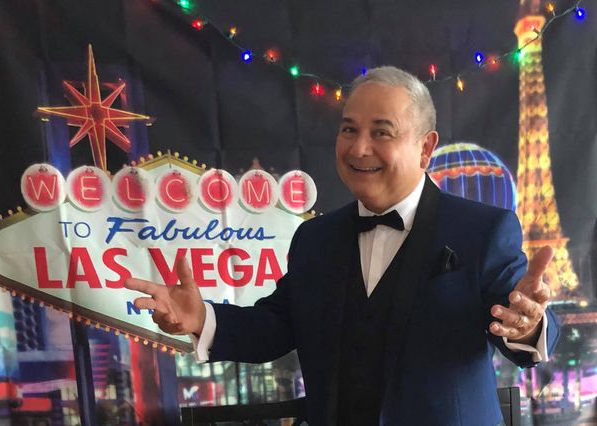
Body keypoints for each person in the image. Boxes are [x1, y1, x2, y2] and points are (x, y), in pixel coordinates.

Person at [125, 66, 560, 425]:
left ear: (425, 147)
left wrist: (528, 326)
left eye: (381, 132)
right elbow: (275, 326)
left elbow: (520, 317)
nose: (359, 147)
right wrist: (201, 318)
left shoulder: (483, 229)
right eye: (349, 129)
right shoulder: (314, 238)